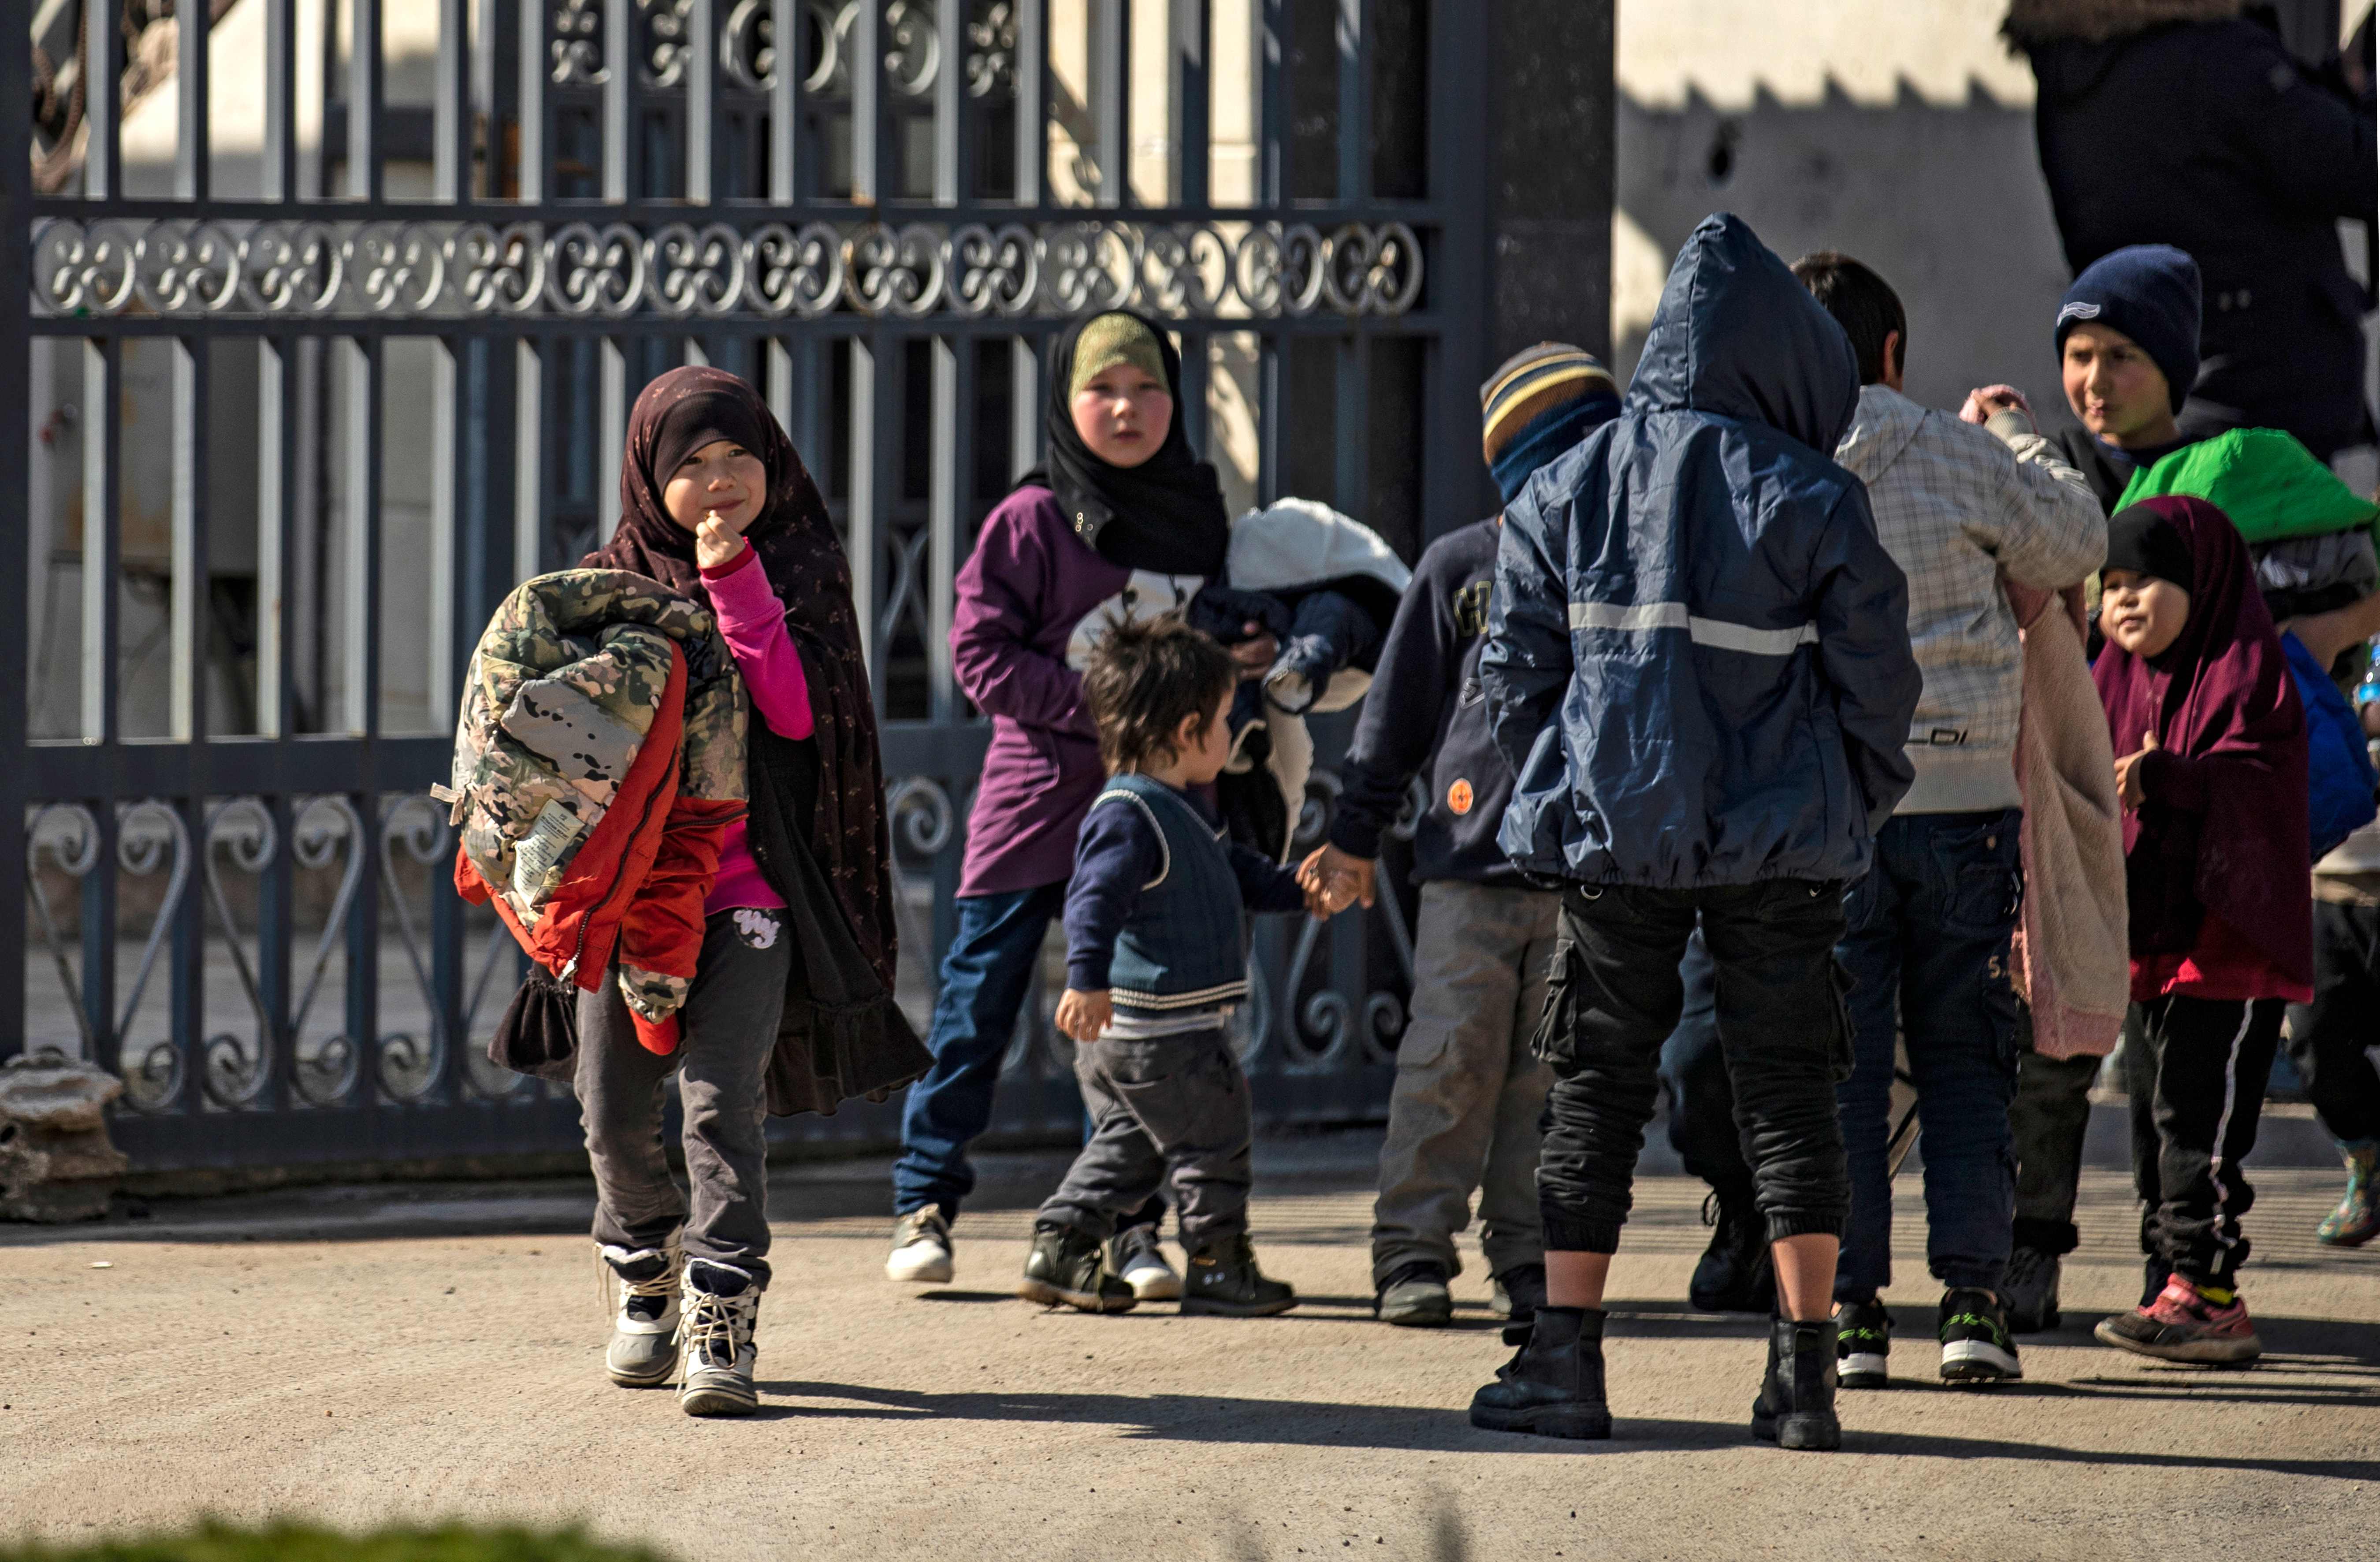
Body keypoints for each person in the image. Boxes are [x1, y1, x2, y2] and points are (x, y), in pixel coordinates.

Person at [1467, 213, 1921, 1450]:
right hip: (1786, 850)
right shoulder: (1819, 494)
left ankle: (1564, 1366)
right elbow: (1883, 686)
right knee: (1791, 1097)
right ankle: (1803, 1381)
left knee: (1595, 1090)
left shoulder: (1568, 485)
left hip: (1617, 843)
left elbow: (1512, 676)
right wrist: (1850, 801)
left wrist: (1569, 782)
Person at [888, 312, 1268, 1296]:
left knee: (1139, 1029)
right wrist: (1110, 718)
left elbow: (1214, 640)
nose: (1128, 408)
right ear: (1067, 400)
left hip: (1166, 826)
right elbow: (978, 654)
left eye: (1148, 388)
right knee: (979, 1010)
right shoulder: (1032, 518)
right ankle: (924, 1200)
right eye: (1104, 389)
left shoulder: (1199, 512)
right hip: (1038, 808)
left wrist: (1247, 657)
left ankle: (1125, 1226)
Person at [575, 365, 918, 1416]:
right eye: (691, 465)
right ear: (648, 479)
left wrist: (735, 585)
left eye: (739, 459)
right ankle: (644, 1270)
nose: (720, 481)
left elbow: (799, 716)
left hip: (749, 895)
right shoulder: (602, 583)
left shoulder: (798, 570)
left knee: (723, 1109)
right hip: (631, 906)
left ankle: (723, 1308)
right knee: (611, 1108)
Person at [1792, 251, 2107, 1389]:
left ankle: (1859, 1316)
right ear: (1894, 355)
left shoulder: (1781, 471)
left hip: (1839, 819)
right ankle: (1974, 1305)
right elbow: (2081, 541)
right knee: (1973, 1062)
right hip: (1971, 811)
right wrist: (2018, 435)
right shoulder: (1964, 456)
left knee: (1848, 1070)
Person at [1299, 342, 1621, 1329]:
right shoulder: (1460, 568)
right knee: (1448, 1062)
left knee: (1548, 1082)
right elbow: (1392, 720)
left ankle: (1528, 1255)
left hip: (1582, 874)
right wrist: (1353, 836)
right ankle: (1411, 1246)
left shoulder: (1629, 565)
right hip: (1467, 874)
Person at [2004, 244, 2214, 1331]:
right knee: (2055, 1046)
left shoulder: (2227, 476)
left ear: (2172, 365)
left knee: (2170, 1069)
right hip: (2074, 823)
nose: (2094, 381)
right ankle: (2029, 1257)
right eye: (2078, 356)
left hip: (2184, 828)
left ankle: (2172, 1268)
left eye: (2121, 357)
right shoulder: (2054, 485)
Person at [1023, 614, 1322, 1316]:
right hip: (1165, 1032)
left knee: (1135, 1148)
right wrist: (1086, 979)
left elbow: (1237, 871)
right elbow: (1093, 900)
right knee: (1216, 1139)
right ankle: (1218, 1263)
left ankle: (1063, 1247)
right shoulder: (1131, 812)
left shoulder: (1179, 809)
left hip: (1134, 1039)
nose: (1231, 731)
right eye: (1224, 718)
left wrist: (1299, 890)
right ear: (1189, 731)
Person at [2093, 496, 2313, 1363]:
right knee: (2163, 1118)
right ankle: (2180, 1282)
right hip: (2158, 946)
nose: (2124, 600)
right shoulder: (2113, 673)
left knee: (2201, 1122)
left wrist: (2168, 776)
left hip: (2228, 950)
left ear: (2204, 581)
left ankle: (2212, 1293)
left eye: (2144, 578)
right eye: (2109, 585)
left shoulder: (2248, 672)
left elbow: (2257, 783)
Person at [2007, 0, 2377, 461]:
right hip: (2264, 400)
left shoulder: (2073, 69)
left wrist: (2325, 86)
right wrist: (2365, 92)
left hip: (2152, 392)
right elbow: (2357, 168)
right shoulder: (2215, 57)